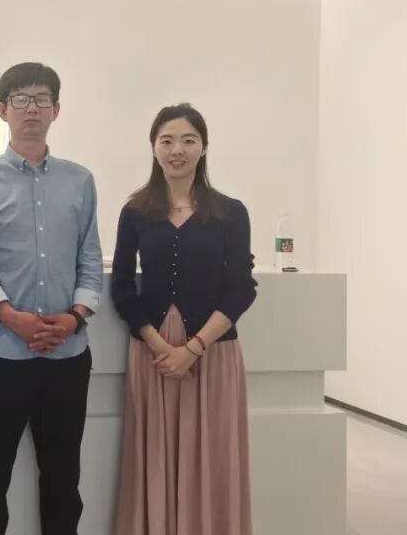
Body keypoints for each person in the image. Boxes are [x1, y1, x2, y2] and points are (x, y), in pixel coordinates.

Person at [0, 62, 103, 535]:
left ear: (56, 110)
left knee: (63, 479)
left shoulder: (80, 180)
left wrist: (75, 317)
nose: (32, 109)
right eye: (21, 99)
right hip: (1, 353)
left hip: (68, 354)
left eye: (41, 99)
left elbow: (89, 257)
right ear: (3, 110)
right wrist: (10, 317)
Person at [111, 103, 257, 535]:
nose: (177, 150)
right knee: (155, 453)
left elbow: (241, 287)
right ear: (154, 148)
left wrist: (192, 349)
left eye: (188, 140)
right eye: (167, 140)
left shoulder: (231, 212)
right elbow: (122, 285)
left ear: (204, 147)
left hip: (211, 351)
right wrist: (161, 347)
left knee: (211, 453)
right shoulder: (135, 212)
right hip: (153, 354)